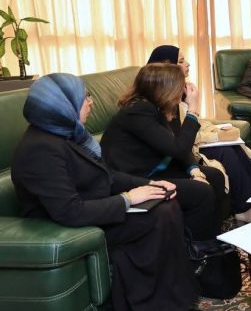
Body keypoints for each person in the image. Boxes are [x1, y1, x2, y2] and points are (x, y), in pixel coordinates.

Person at [11, 74, 199, 311]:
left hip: (93, 208)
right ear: (62, 105)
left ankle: (172, 298)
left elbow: (106, 177)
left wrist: (151, 184)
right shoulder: (40, 148)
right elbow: (69, 211)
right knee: (160, 215)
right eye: (84, 98)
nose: (91, 102)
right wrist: (127, 199)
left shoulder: (67, 134)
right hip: (64, 227)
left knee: (165, 202)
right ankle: (151, 303)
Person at [100, 63, 228, 240]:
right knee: (201, 191)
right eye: (180, 87)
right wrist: (192, 110)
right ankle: (196, 246)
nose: (183, 91)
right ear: (166, 90)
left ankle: (214, 235)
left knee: (214, 176)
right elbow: (179, 148)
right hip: (135, 178)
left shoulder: (158, 107)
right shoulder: (137, 111)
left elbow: (178, 143)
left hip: (156, 169)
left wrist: (194, 170)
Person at [147, 45, 251, 223]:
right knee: (224, 151)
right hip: (183, 149)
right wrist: (213, 136)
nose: (188, 64)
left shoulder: (183, 89)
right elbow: (177, 134)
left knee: (233, 145)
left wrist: (215, 131)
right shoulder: (160, 98)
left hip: (191, 140)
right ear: (167, 65)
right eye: (181, 61)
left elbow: (196, 122)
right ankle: (245, 209)